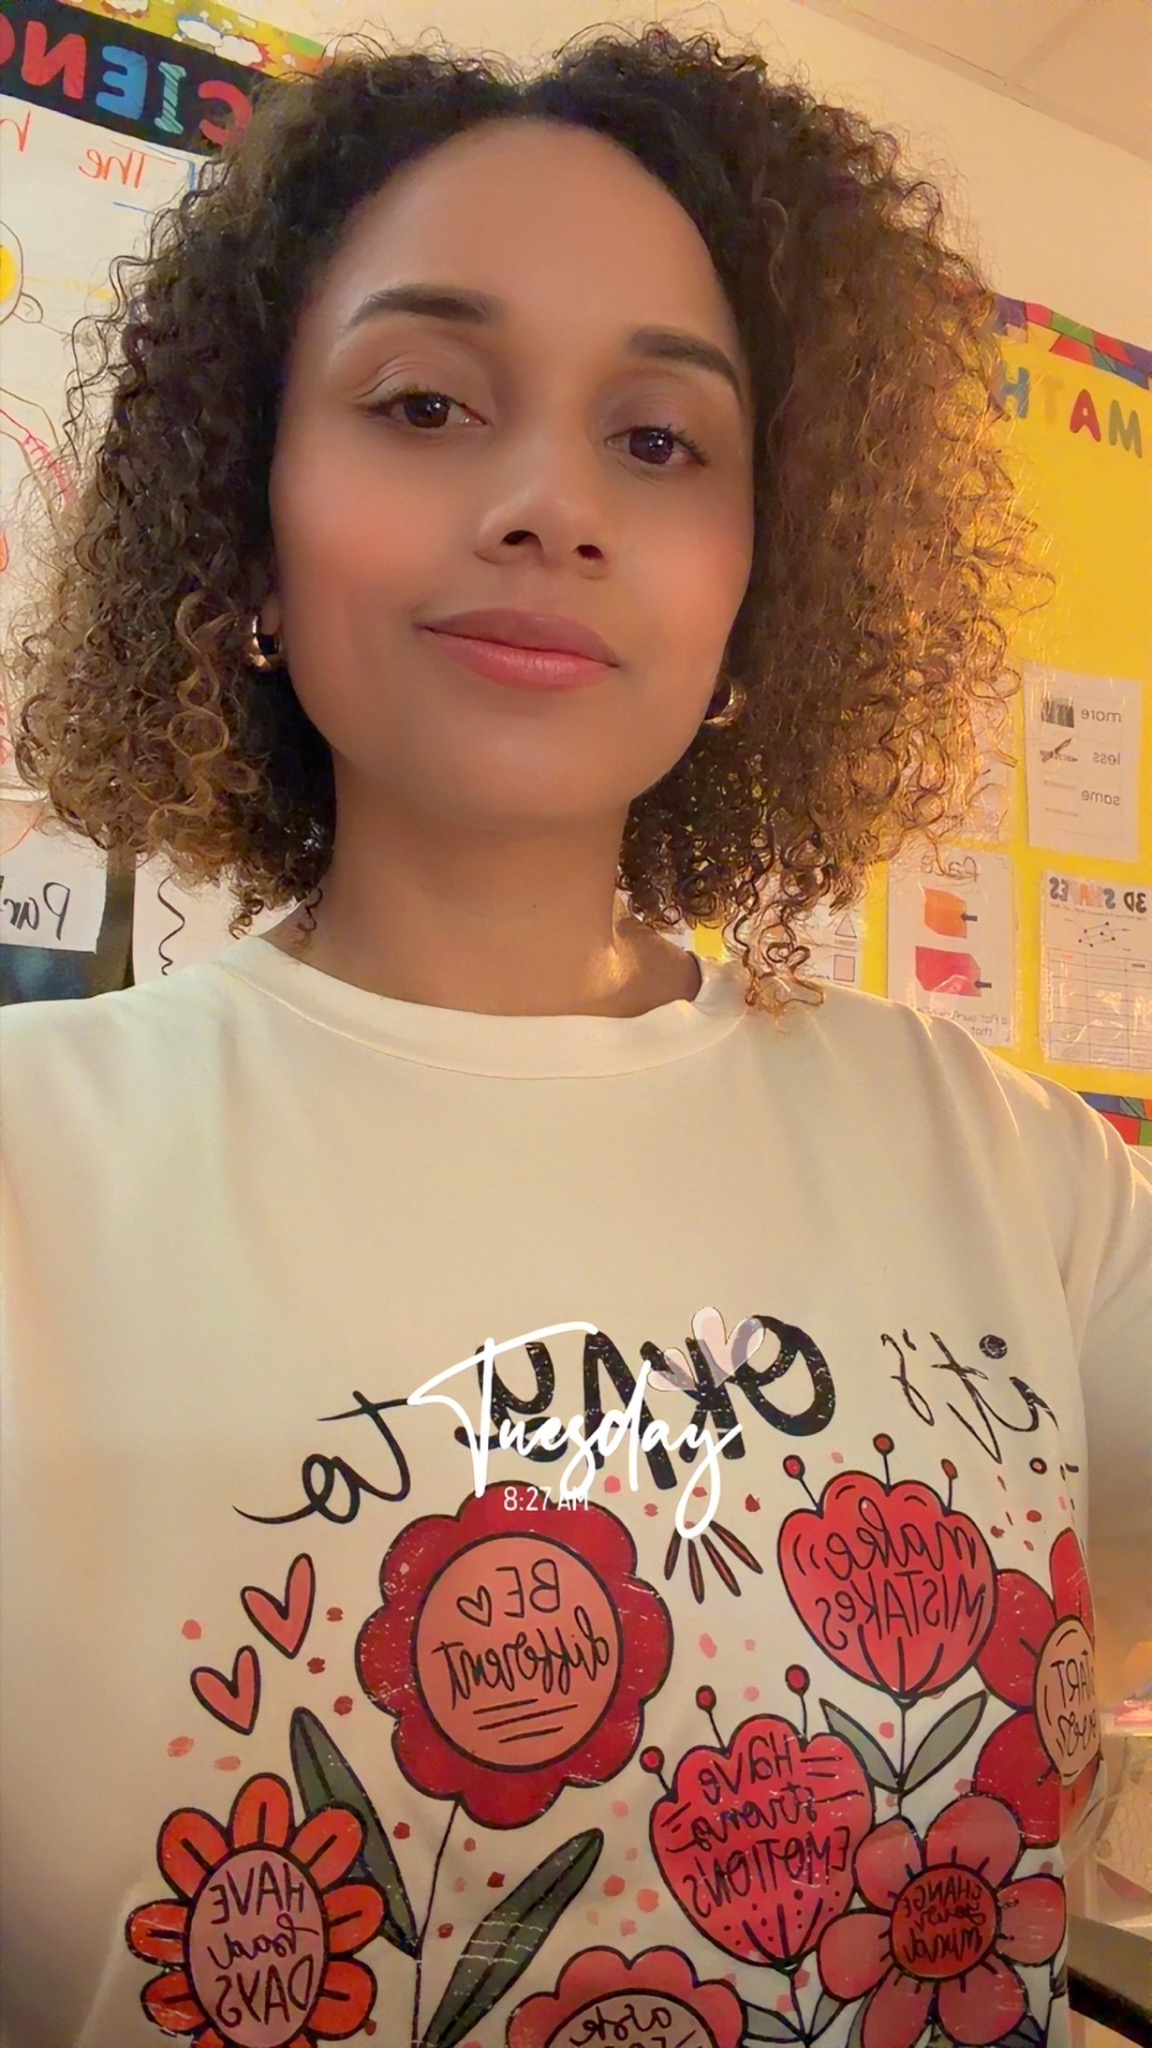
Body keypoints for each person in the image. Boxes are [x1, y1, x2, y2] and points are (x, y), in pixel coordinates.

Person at [1, 24, 1148, 2048]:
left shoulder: (1013, 1165)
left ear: (758, 594)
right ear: (250, 524)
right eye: (424, 404)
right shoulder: (34, 1169)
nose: (548, 503)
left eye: (662, 441)